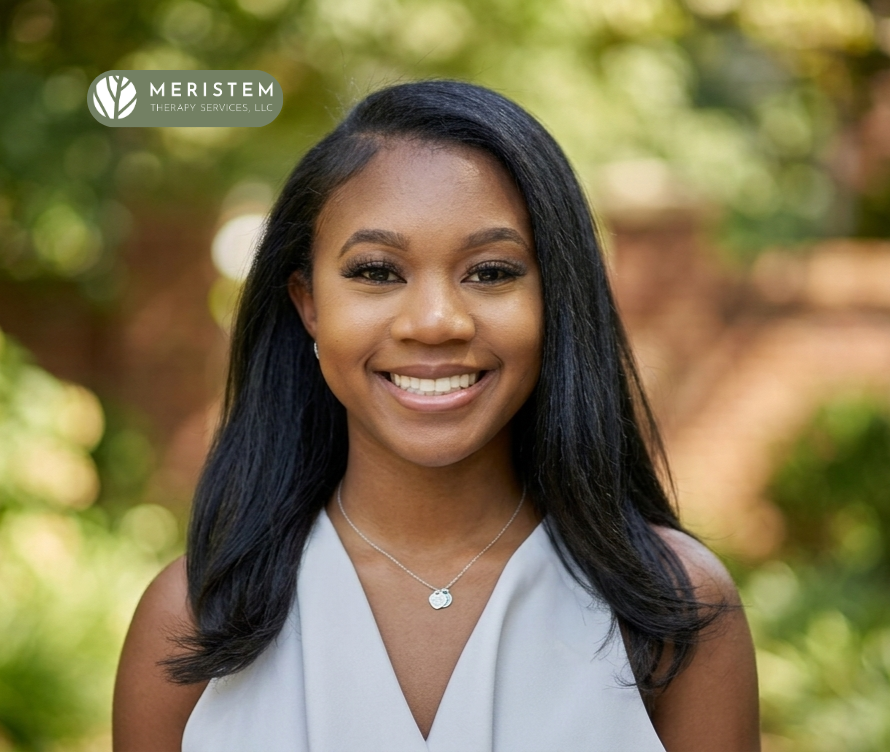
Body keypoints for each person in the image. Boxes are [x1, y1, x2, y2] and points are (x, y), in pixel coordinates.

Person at [112, 79, 760, 751]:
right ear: (308, 303)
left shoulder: (673, 610)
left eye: (490, 272)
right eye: (376, 271)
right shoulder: (192, 618)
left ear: (556, 299)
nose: (435, 322)